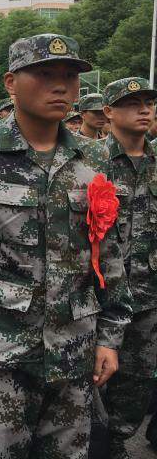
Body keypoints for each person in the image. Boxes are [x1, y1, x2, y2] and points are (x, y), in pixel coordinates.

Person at [0, 34, 132, 458]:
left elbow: (109, 252)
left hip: (74, 347)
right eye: (44, 74)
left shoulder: (94, 159)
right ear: (11, 82)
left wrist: (110, 336)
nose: (60, 86)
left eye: (69, 76)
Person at [100, 77, 157, 458]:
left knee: (139, 377)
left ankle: (114, 441)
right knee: (85, 378)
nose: (145, 110)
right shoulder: (90, 161)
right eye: (132, 103)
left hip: (148, 294)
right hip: (98, 293)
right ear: (108, 112)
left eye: (149, 103)